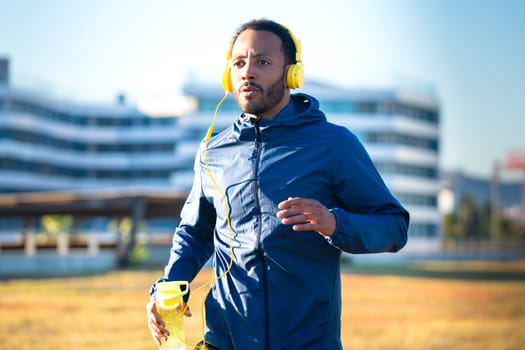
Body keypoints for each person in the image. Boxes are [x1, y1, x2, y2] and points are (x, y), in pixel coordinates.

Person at [147, 18, 409, 350]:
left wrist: (335, 223)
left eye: (263, 62)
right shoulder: (213, 151)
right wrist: (168, 287)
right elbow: (196, 231)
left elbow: (394, 226)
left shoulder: (333, 144)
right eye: (239, 62)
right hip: (224, 340)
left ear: (291, 75)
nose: (248, 72)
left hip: (308, 342)